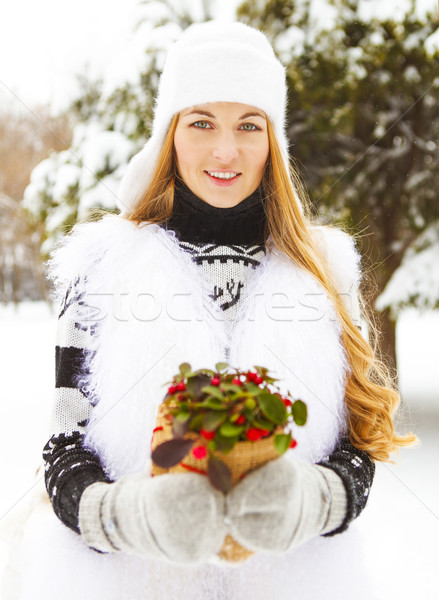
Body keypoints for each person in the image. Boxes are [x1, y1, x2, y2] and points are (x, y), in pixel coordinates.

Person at [12, 20, 415, 600]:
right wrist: (127, 515)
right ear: (170, 133)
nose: (226, 150)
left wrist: (312, 502)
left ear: (272, 139)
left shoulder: (327, 270)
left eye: (249, 125)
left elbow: (358, 445)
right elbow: (62, 448)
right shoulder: (99, 268)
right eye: (201, 122)